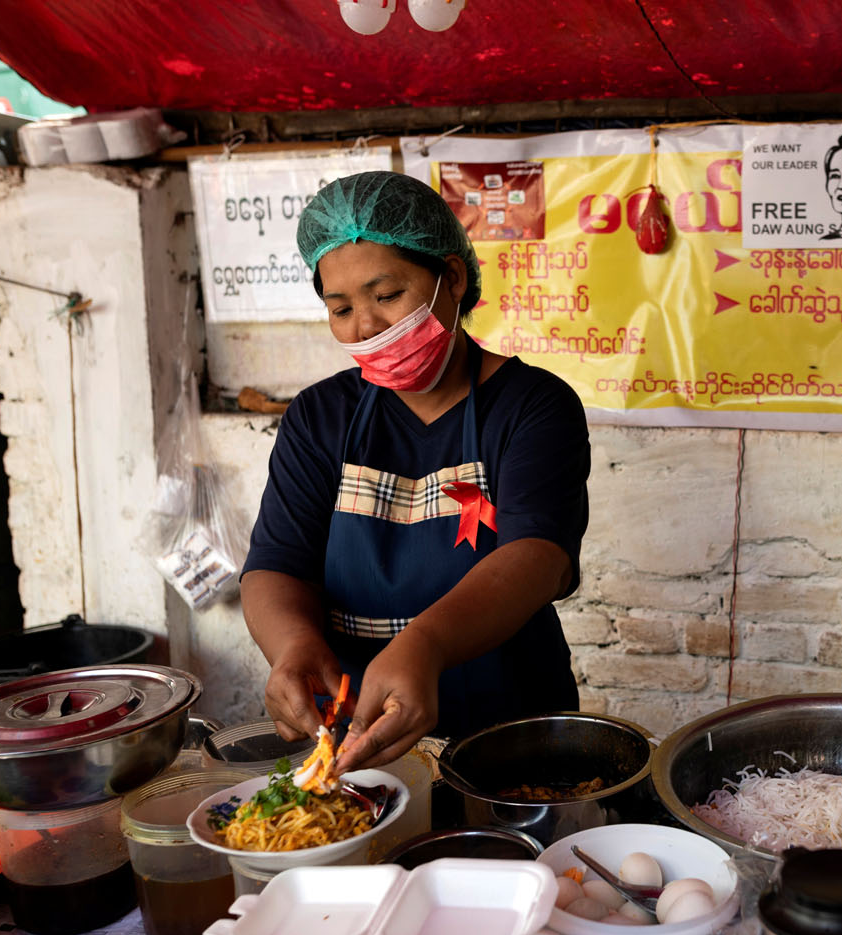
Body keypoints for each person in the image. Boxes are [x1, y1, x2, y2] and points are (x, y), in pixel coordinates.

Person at [241, 170, 590, 773]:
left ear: (451, 279)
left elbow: (536, 555)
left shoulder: (532, 406)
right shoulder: (321, 416)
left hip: (510, 729)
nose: (365, 327)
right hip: (362, 736)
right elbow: (276, 563)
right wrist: (293, 646)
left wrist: (423, 645)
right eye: (342, 307)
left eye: (386, 295)